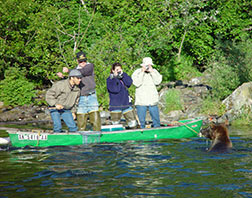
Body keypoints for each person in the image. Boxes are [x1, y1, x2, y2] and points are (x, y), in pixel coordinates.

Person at [58, 51, 101, 131]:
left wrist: (68, 71)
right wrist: (63, 76)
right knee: (81, 122)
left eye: (84, 60)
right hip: (81, 98)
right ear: (77, 61)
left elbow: (82, 72)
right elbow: (71, 81)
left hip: (92, 96)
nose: (83, 63)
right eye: (81, 61)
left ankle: (97, 134)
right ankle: (81, 137)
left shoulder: (90, 66)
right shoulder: (74, 71)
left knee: (95, 121)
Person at [131, 57, 162, 128]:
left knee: (156, 121)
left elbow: (158, 82)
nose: (148, 67)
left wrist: (152, 72)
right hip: (141, 101)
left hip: (152, 100)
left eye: (149, 65)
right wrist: (142, 72)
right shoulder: (137, 72)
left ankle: (157, 132)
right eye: (146, 65)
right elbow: (136, 83)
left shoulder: (154, 71)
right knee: (141, 122)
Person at [106, 62, 137, 128]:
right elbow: (115, 89)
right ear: (113, 70)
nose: (118, 71)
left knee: (133, 123)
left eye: (120, 69)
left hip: (126, 104)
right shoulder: (110, 80)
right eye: (117, 70)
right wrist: (115, 78)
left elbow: (129, 83)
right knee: (115, 125)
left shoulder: (123, 77)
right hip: (115, 106)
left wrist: (123, 75)